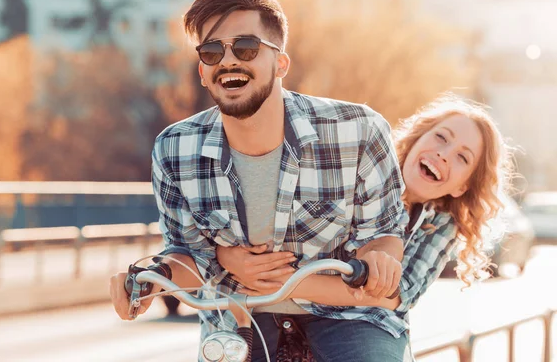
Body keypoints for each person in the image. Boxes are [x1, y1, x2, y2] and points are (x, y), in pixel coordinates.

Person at [109, 0, 411, 361]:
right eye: (212, 52)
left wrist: (380, 260)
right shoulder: (173, 148)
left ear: (280, 63)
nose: (229, 60)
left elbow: (383, 234)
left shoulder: (359, 129)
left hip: (348, 315)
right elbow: (188, 253)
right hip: (240, 316)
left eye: (247, 47)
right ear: (203, 72)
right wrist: (151, 281)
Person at [218, 95, 514, 361]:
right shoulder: (357, 166)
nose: (445, 154)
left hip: (362, 319)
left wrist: (288, 284)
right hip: (272, 305)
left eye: (463, 157)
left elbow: (393, 295)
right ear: (416, 139)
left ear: (463, 186)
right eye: (440, 137)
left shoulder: (441, 224)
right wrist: (233, 259)